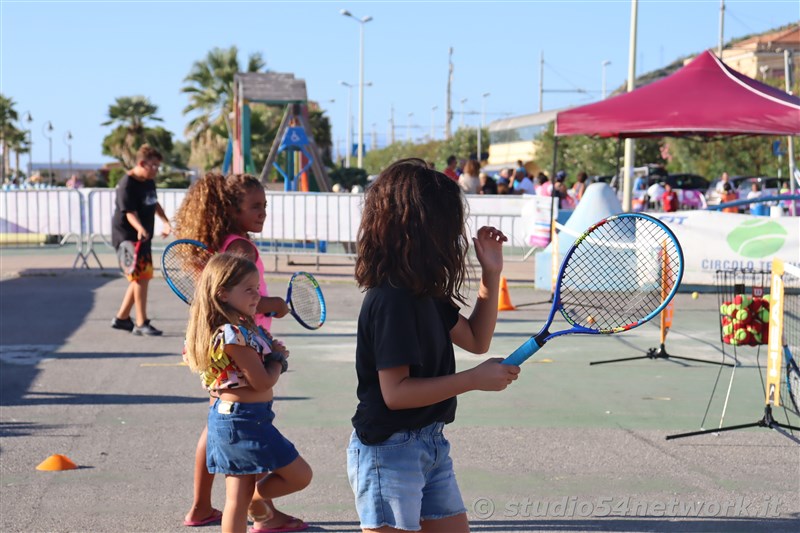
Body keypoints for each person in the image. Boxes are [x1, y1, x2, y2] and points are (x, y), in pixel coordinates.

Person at [347, 158, 521, 532]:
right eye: (448, 227)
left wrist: (491, 274)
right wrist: (474, 379)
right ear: (421, 230)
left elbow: (476, 339)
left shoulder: (425, 292)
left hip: (430, 442)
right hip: (389, 450)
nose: (455, 237)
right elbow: (396, 393)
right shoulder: (392, 299)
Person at [173, 172, 302, 531]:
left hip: (240, 349)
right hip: (245, 349)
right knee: (241, 451)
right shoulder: (240, 248)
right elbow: (248, 298)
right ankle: (263, 512)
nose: (262, 212)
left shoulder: (229, 243)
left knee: (218, 428)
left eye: (265, 205)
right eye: (255, 206)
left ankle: (210, 507)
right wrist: (274, 306)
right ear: (232, 209)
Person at [184, 253, 312, 533]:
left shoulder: (241, 326)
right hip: (242, 422)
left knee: (238, 500)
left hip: (247, 419)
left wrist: (272, 351)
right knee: (297, 476)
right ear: (223, 293)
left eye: (258, 288)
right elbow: (263, 381)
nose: (258, 295)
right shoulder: (231, 333)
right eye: (249, 289)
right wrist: (278, 360)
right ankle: (257, 501)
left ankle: (257, 502)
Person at [110, 144, 171, 336]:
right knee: (139, 278)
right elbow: (129, 212)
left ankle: (122, 318)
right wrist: (140, 228)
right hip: (127, 238)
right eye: (153, 165)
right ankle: (141, 322)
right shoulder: (126, 184)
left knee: (142, 278)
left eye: (158, 166)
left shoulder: (148, 181)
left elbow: (153, 203)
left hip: (143, 238)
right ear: (142, 163)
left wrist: (165, 222)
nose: (156, 170)